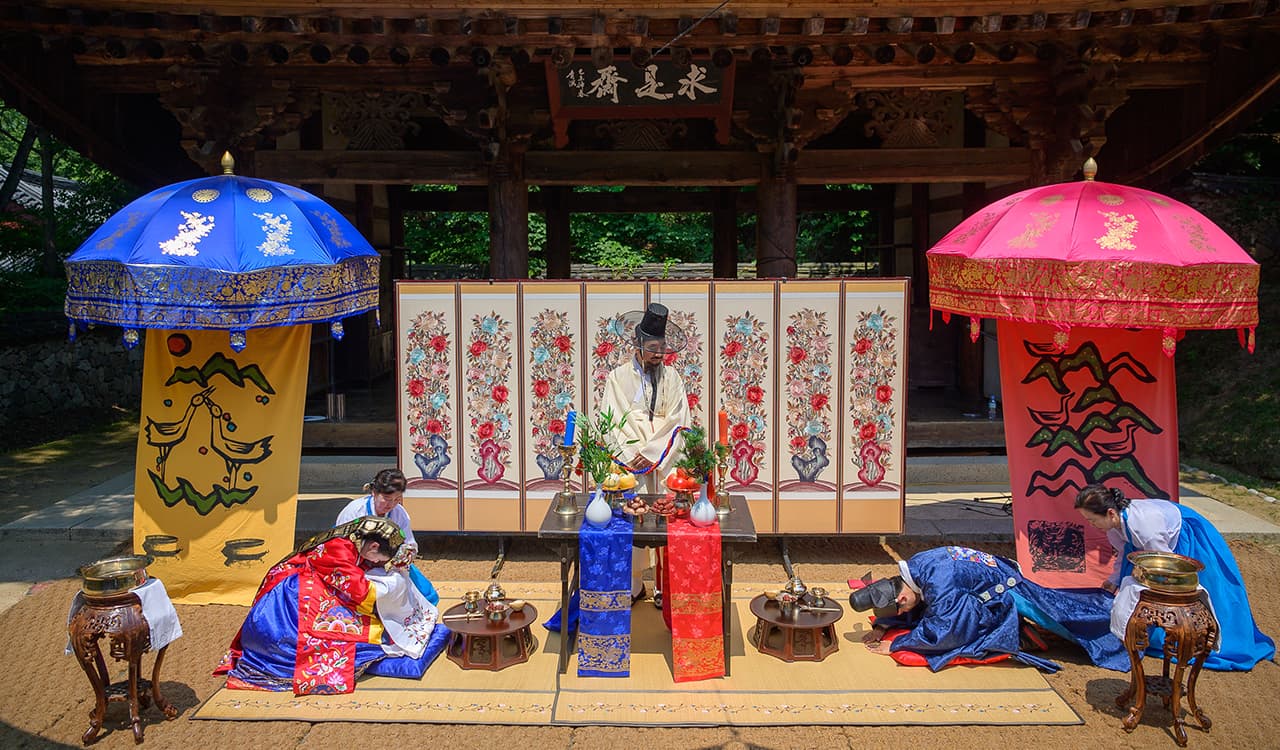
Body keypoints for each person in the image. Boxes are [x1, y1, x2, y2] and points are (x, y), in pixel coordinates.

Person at [215, 516, 450, 695]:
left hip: (319, 582)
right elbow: (360, 590)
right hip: (292, 596)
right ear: (374, 547)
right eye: (379, 559)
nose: (377, 563)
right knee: (339, 633)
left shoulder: (358, 536)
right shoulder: (338, 550)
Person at [1075, 483, 1275, 670]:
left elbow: (1164, 568)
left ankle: (1216, 640)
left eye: (1092, 520)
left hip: (1186, 536)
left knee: (1205, 590)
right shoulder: (1114, 526)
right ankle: (1156, 635)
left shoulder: (1145, 529)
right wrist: (1114, 580)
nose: (1092, 525)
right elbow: (1123, 554)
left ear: (1110, 513)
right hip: (1157, 546)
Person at [851, 545, 1128, 672]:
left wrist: (901, 643)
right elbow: (919, 606)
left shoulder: (939, 581)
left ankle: (1117, 628)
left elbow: (946, 627)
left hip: (1008, 591)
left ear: (900, 598)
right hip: (997, 573)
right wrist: (883, 626)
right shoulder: (918, 566)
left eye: (899, 611)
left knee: (1069, 619)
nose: (903, 613)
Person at [601, 303, 691, 606]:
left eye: (662, 348)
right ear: (638, 346)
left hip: (664, 459)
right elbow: (611, 417)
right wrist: (634, 453)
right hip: (632, 457)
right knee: (633, 518)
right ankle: (635, 585)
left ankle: (666, 588)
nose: (658, 354)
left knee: (668, 519)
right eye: (652, 347)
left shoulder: (673, 378)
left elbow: (679, 418)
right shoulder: (618, 377)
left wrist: (654, 452)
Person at [336, 468, 438, 605]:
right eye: (387, 498)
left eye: (397, 499)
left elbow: (409, 544)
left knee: (424, 593)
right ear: (374, 492)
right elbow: (339, 547)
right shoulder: (354, 511)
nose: (391, 505)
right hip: (353, 562)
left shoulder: (399, 513)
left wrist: (398, 559)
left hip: (389, 562)